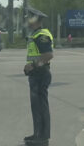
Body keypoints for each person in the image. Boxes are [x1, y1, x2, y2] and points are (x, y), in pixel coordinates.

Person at [23, 9, 54, 146]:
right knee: (37, 107)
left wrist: (34, 65)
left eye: (29, 18)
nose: (27, 21)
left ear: (35, 20)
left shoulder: (41, 35)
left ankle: (42, 137)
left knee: (40, 106)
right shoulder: (35, 35)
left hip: (40, 74)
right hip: (36, 74)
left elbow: (48, 55)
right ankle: (38, 134)